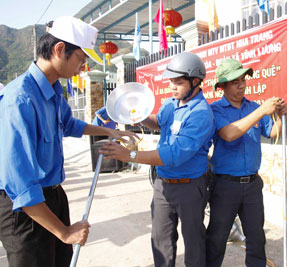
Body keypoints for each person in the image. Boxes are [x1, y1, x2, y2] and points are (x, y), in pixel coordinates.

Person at [0, 16, 137, 267]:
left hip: (53, 197)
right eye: (81, 60)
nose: (83, 68)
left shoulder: (54, 91)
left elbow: (69, 124)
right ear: (59, 50)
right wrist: (64, 232)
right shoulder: (19, 99)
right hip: (24, 210)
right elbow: (19, 184)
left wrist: (110, 132)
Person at [99, 52, 215, 267]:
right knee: (161, 240)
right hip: (163, 185)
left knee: (193, 242)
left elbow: (174, 154)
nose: (172, 87)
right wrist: (138, 115)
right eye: (171, 82)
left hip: (190, 186)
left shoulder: (201, 114)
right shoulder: (171, 104)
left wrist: (129, 155)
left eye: (178, 82)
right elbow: (159, 122)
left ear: (196, 81)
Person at [206, 58, 287, 267]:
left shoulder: (253, 106)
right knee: (217, 237)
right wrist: (262, 111)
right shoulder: (216, 110)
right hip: (225, 185)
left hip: (252, 184)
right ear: (222, 86)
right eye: (235, 82)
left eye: (243, 80)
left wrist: (280, 116)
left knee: (256, 237)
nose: (242, 85)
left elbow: (272, 132)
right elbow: (229, 134)